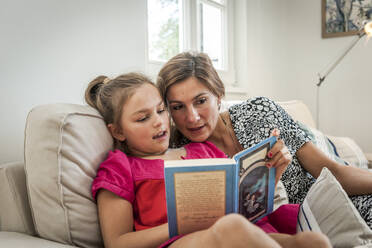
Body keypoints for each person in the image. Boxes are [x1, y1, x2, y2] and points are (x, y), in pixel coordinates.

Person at [85, 72, 331, 248]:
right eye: (142, 118)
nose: (159, 121)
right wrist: (183, 225)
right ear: (117, 131)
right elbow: (117, 242)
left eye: (161, 110)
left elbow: (244, 205)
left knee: (314, 240)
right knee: (232, 228)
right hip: (179, 240)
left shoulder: (202, 150)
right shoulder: (120, 166)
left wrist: (271, 173)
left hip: (240, 231)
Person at [156, 51, 372, 230]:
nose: (192, 117)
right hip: (283, 230)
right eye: (178, 107)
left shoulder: (259, 111)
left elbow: (331, 171)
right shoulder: (180, 155)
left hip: (331, 201)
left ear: (218, 95)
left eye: (201, 101)